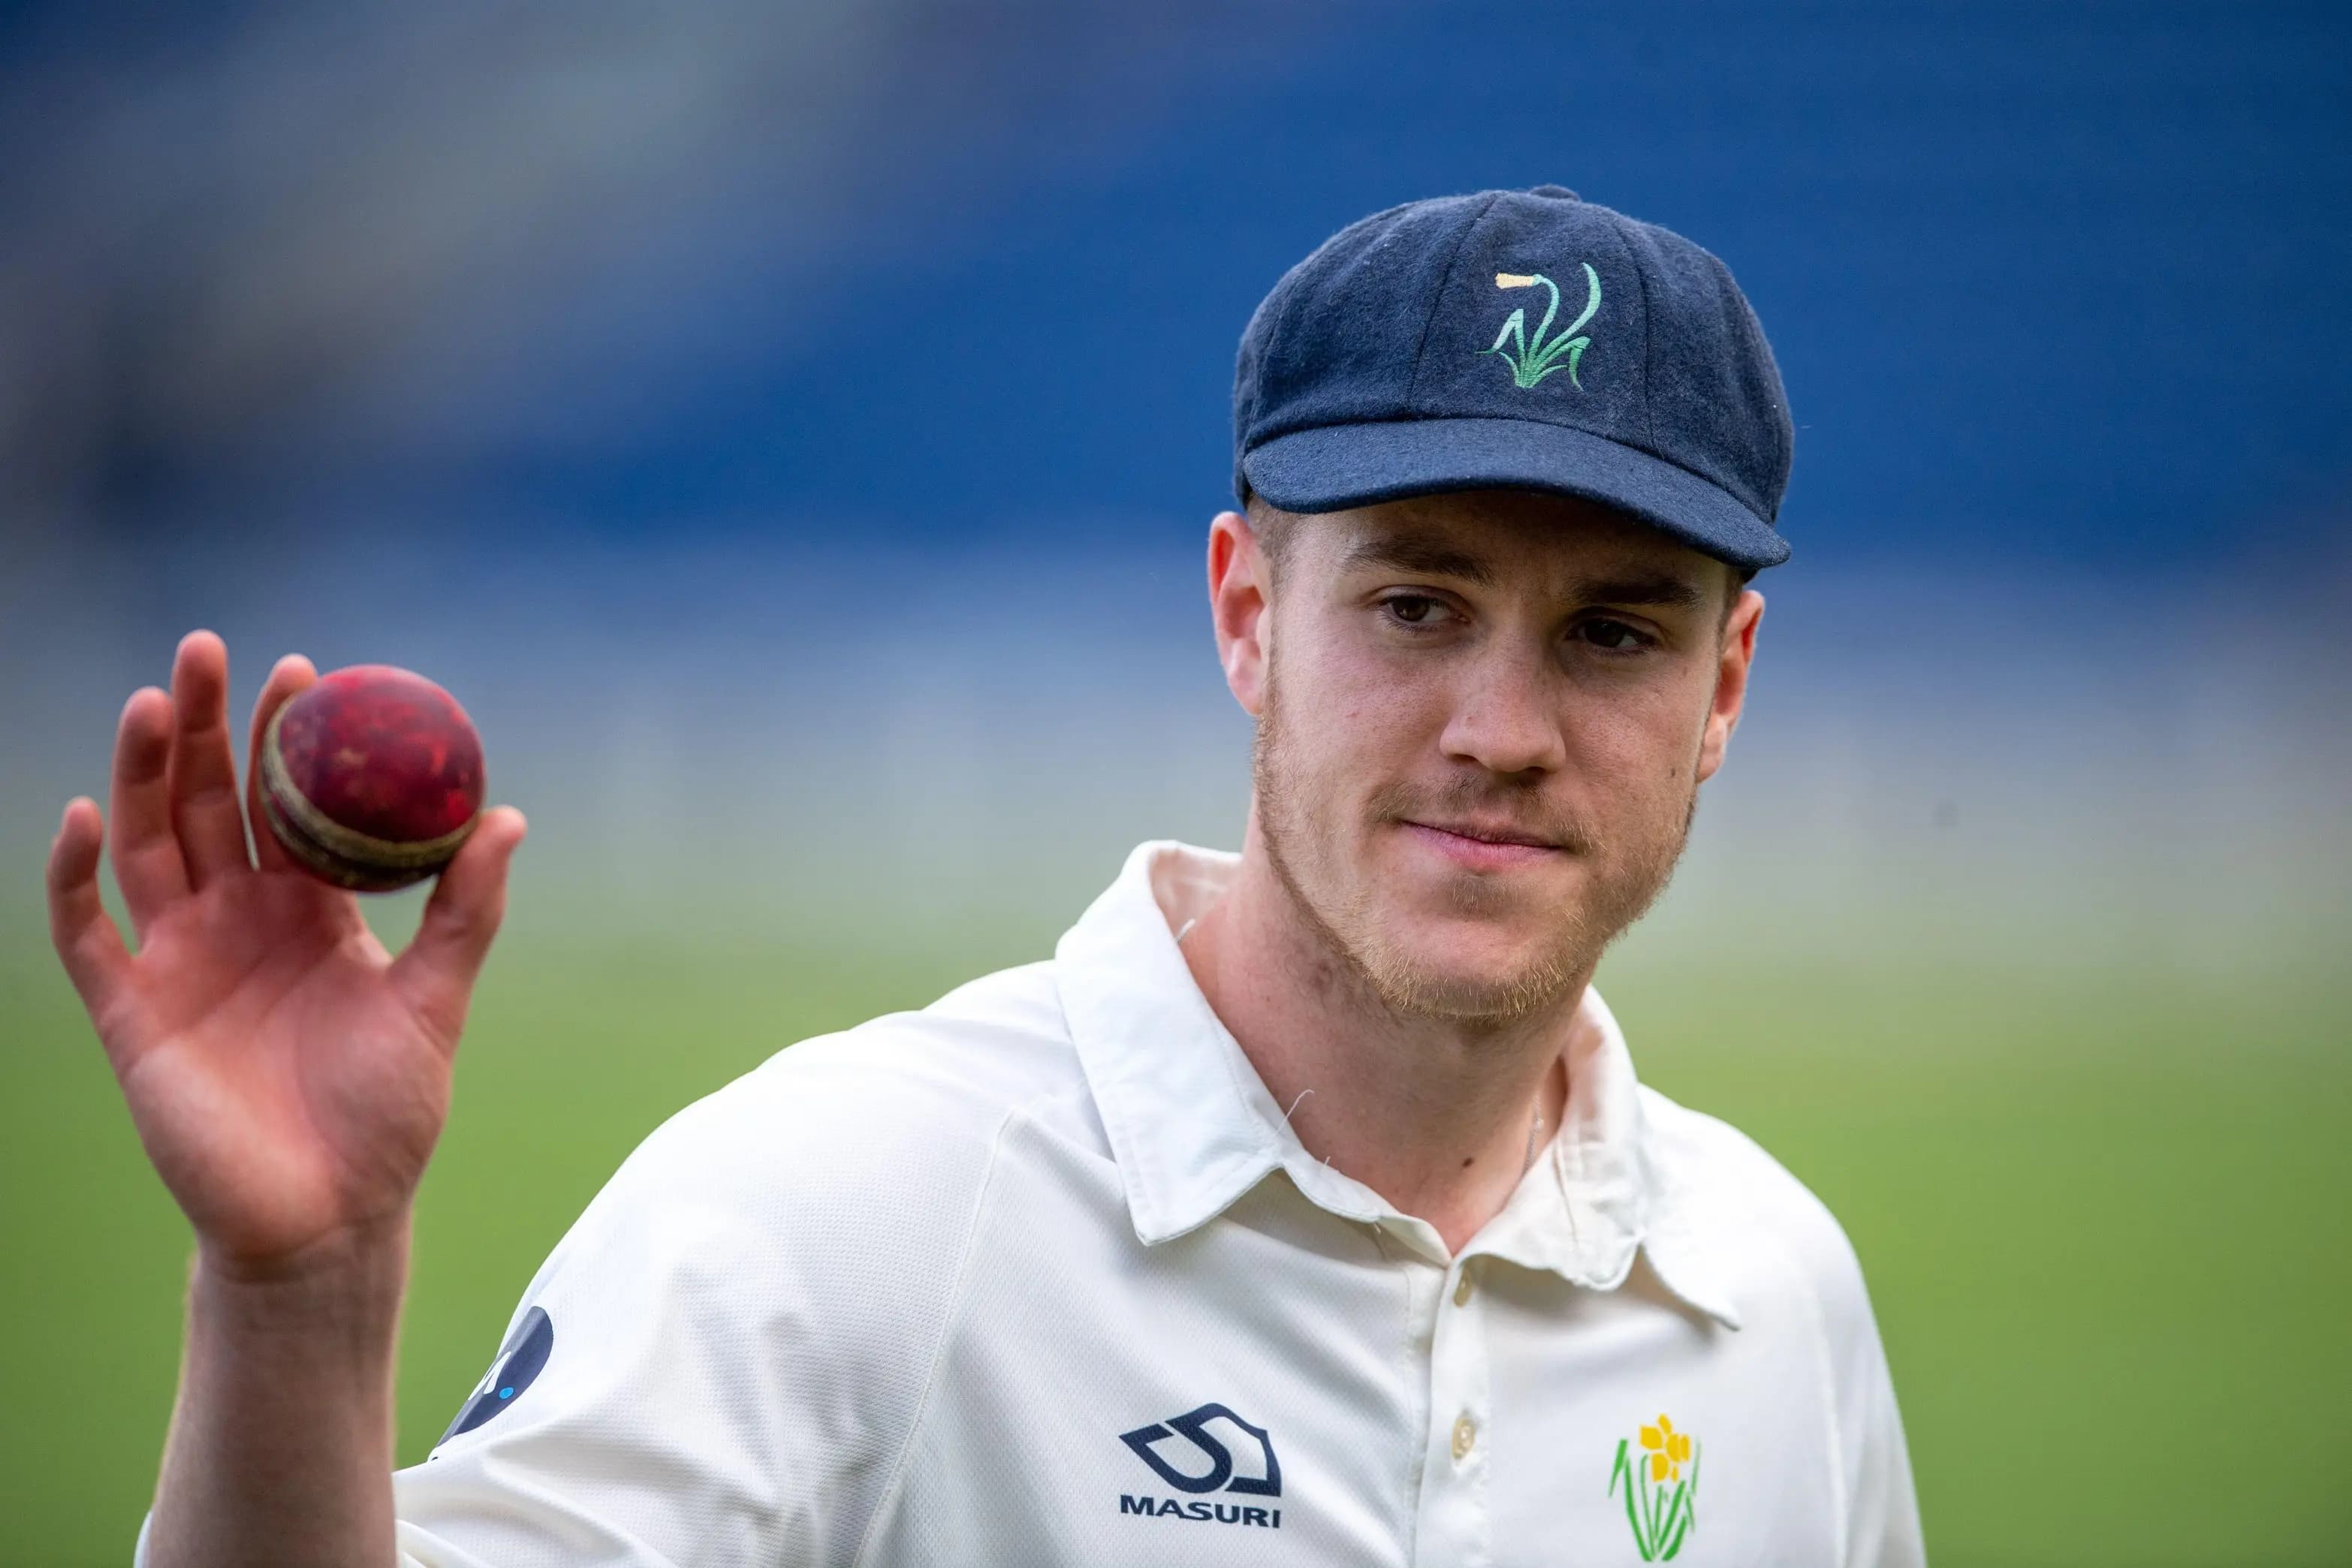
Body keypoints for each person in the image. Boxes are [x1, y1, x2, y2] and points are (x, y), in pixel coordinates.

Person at [48, 185, 1925, 1566]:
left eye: (1612, 636)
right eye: (1417, 605)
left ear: (1724, 693)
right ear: (1247, 618)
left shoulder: (1772, 1295)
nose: (1501, 726)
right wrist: (301, 1296)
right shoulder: (848, 1208)